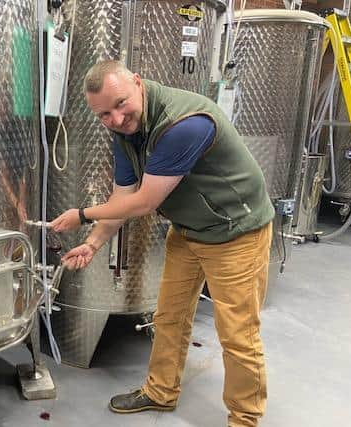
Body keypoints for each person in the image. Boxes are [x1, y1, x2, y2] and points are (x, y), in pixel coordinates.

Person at [50, 60, 274, 427]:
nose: (116, 119)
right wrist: (92, 243)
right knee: (169, 316)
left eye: (121, 104)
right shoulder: (126, 133)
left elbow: (145, 202)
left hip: (236, 232)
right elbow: (124, 195)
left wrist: (82, 213)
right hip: (188, 229)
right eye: (104, 114)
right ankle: (160, 391)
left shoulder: (183, 125)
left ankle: (245, 418)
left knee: (238, 333)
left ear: (138, 83)